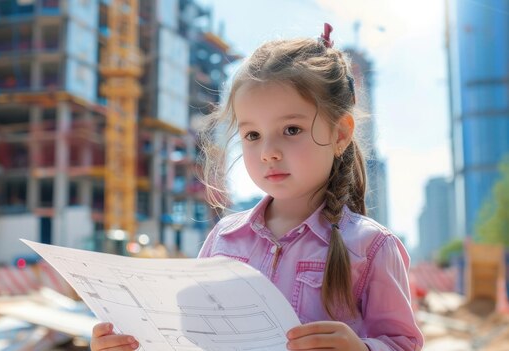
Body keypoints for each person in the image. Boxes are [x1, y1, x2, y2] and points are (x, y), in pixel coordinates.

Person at [91, 23, 424, 351]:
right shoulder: (223, 238)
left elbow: (403, 344)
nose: (268, 152)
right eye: (252, 135)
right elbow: (190, 338)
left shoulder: (372, 247)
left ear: (339, 134)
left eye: (291, 129)